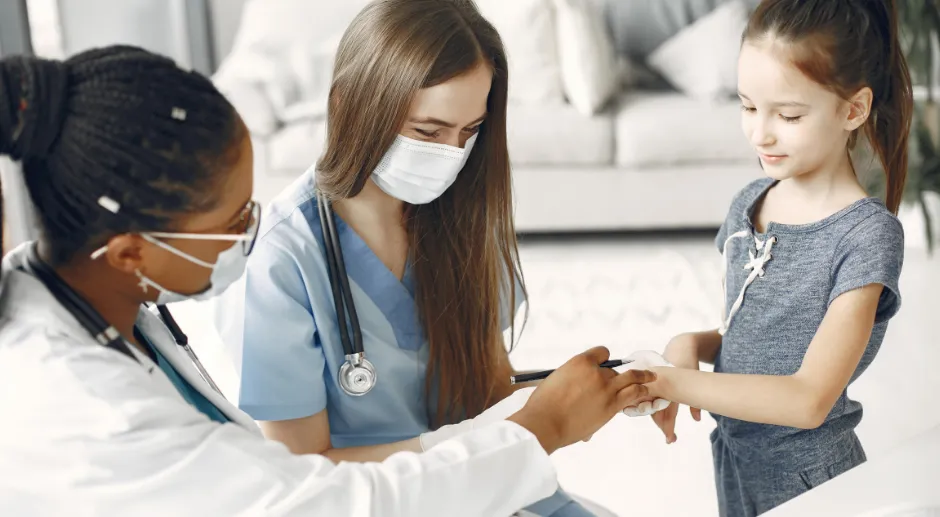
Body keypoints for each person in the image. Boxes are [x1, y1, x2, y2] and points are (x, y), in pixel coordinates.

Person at [0, 46, 657, 516]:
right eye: (232, 221)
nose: (251, 232)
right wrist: (536, 428)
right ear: (129, 253)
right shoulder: (89, 412)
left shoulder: (103, 304)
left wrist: (531, 414)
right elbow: (326, 498)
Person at [214, 1, 626, 515]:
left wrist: (589, 396)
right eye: (428, 133)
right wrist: (509, 437)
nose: (450, 155)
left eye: (469, 132)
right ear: (349, 104)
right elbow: (305, 477)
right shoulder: (280, 261)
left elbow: (489, 392)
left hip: (491, 487)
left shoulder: (462, 218)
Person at [640, 1, 912, 516]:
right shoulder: (750, 202)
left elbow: (807, 399)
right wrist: (687, 345)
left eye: (788, 115)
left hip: (811, 482)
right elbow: (757, 342)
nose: (760, 133)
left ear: (853, 109)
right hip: (736, 462)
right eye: (747, 106)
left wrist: (673, 382)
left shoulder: (865, 237)